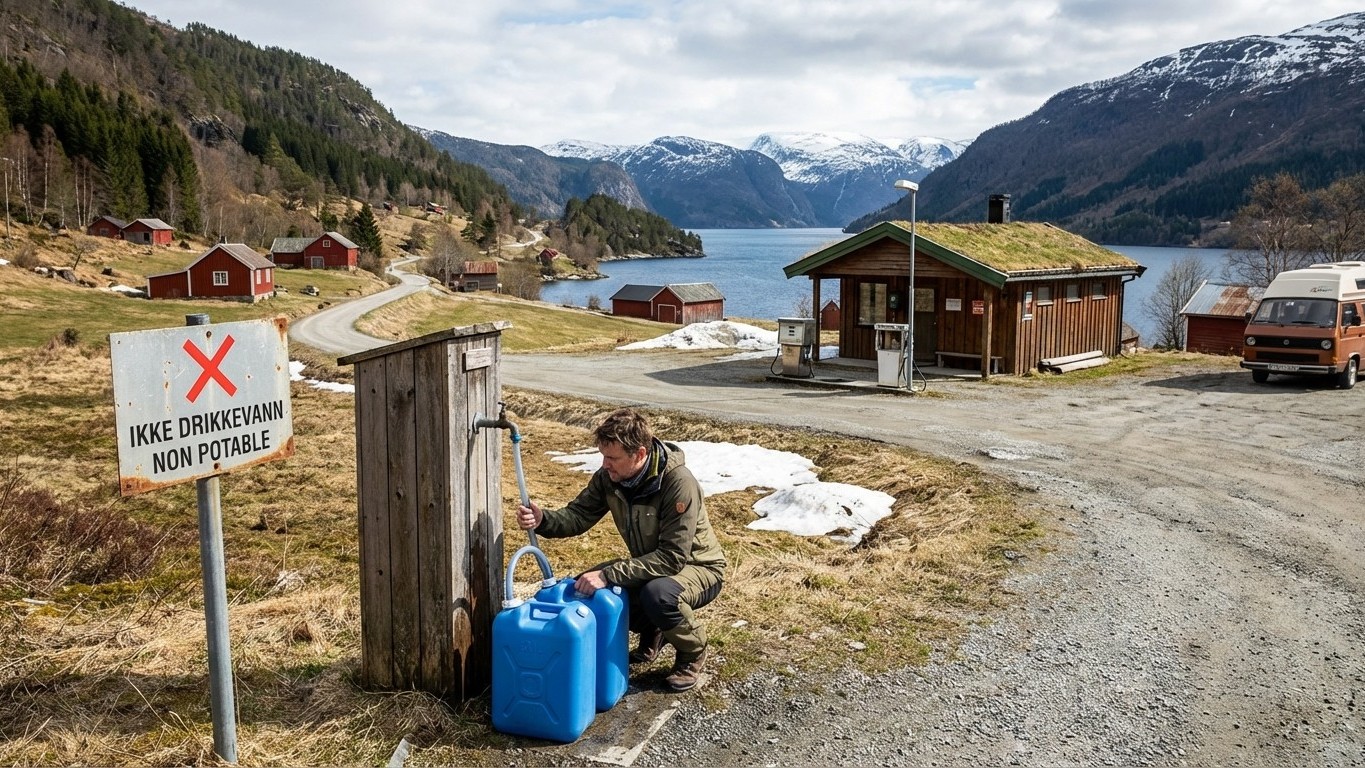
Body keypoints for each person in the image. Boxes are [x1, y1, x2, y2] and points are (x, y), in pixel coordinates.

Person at [516, 408, 727, 692]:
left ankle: (693, 650)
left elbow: (672, 557)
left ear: (639, 454)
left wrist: (609, 574)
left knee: (657, 595)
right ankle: (654, 631)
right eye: (603, 456)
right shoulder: (610, 478)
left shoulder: (678, 483)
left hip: (699, 568)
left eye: (612, 458)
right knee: (586, 585)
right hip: (653, 565)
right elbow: (578, 515)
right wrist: (544, 519)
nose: (605, 465)